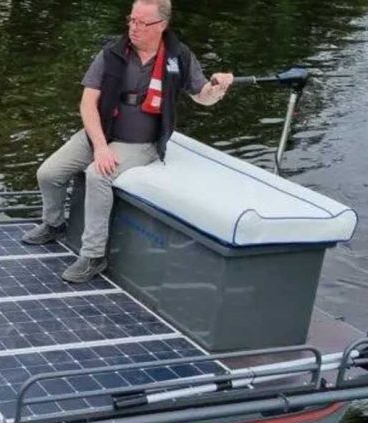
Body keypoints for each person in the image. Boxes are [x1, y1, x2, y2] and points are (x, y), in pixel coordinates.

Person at [22, 0, 235, 282]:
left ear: (161, 25)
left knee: (98, 174)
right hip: (101, 132)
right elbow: (87, 104)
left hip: (140, 143)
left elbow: (202, 96)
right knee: (48, 173)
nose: (133, 28)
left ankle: (94, 256)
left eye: (141, 23)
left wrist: (218, 87)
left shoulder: (178, 56)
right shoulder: (112, 52)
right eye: (131, 20)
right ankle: (54, 224)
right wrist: (99, 146)